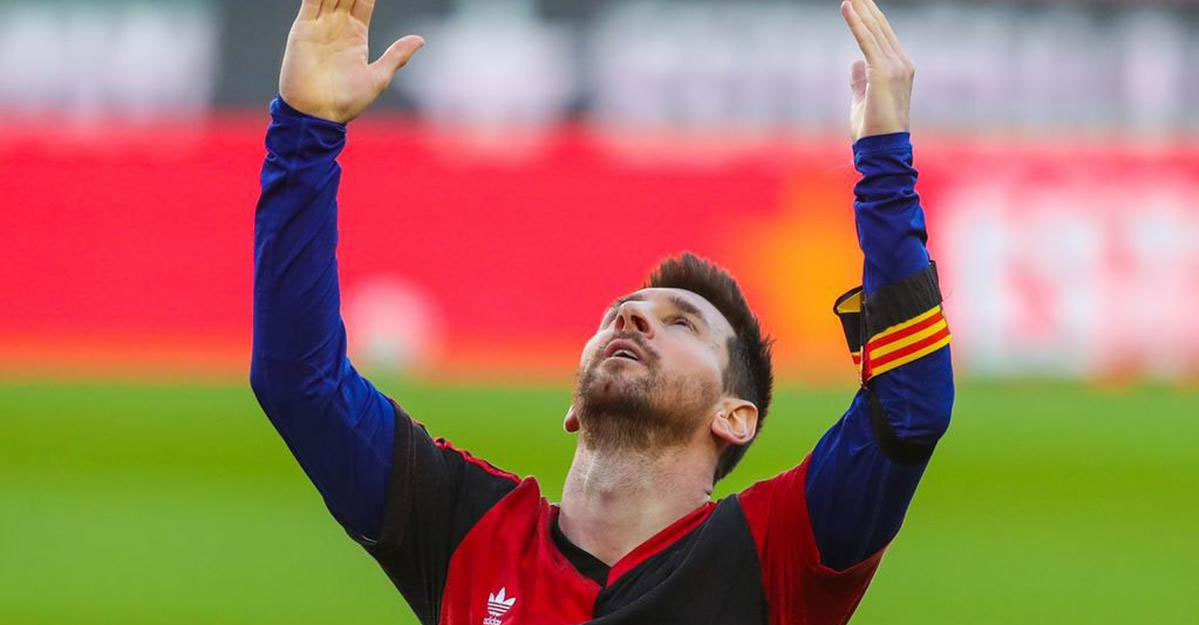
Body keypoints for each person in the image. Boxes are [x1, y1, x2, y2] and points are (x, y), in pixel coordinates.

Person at [250, 0, 954, 623]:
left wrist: (884, 167)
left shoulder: (778, 549)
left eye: (681, 323)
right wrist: (306, 132)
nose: (631, 321)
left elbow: (909, 409)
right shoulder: (467, 530)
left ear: (734, 417)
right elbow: (299, 384)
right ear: (574, 406)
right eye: (620, 313)